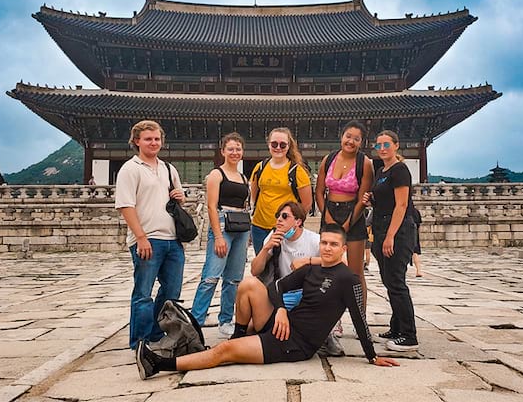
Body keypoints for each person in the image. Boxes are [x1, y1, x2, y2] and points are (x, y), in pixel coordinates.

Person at [135, 224, 399, 379]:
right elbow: (276, 287)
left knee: (223, 353)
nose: (328, 248)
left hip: (296, 344)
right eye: (325, 243)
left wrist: (372, 356)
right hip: (282, 325)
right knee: (250, 285)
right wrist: (282, 310)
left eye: (334, 245)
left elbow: (359, 319)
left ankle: (158, 364)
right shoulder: (310, 270)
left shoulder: (347, 279)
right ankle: (237, 337)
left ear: (343, 249)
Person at [115, 120, 186, 350]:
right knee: (143, 293)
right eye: (148, 139)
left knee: (171, 292)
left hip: (172, 239)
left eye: (157, 139)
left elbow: (176, 201)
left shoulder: (168, 169)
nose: (153, 142)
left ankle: (157, 333)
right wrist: (141, 237)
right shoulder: (130, 168)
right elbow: (126, 205)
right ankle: (140, 341)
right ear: (137, 141)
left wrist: (179, 196)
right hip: (147, 239)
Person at [363, 130, 419, 351]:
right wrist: (371, 199)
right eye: (378, 145)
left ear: (396, 145)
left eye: (387, 144)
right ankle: (396, 327)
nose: (383, 149)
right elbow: (383, 201)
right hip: (380, 226)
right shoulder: (381, 172)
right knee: (389, 281)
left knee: (396, 282)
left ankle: (409, 335)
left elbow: (402, 205)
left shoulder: (400, 170)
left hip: (398, 230)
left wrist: (390, 236)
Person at [230, 202, 320, 339]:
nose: (279, 220)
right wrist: (267, 248)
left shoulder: (313, 240)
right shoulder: (274, 237)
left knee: (258, 330)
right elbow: (255, 270)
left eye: (285, 216)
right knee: (248, 285)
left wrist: (308, 261)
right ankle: (237, 336)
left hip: (304, 296)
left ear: (298, 221)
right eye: (278, 216)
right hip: (280, 294)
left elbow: (342, 262)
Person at [191, 133, 250, 338]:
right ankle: (196, 321)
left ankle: (226, 319)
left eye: (238, 149)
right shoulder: (217, 174)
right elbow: (211, 206)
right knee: (211, 276)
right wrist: (217, 236)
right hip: (223, 224)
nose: (235, 152)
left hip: (241, 227)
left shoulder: (243, 178)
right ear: (223, 151)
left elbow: (245, 205)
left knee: (234, 279)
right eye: (231, 149)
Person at [315, 120, 374, 307]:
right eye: (348, 136)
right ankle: (330, 318)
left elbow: (363, 197)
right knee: (328, 268)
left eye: (356, 139)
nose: (351, 141)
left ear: (362, 142)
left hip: (353, 213)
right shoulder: (329, 159)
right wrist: (327, 216)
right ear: (341, 137)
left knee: (355, 272)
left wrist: (349, 222)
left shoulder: (364, 163)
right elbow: (319, 191)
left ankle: (360, 317)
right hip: (330, 210)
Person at [250, 127, 312, 254]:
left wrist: (295, 224)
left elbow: (307, 203)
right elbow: (254, 193)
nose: (278, 148)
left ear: (289, 146)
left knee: (284, 266)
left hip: (286, 228)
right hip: (259, 226)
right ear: (268, 144)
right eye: (274, 144)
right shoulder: (260, 167)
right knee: (262, 266)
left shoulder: (297, 171)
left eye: (283, 145)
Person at [411, 207, 423, 277]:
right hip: (415, 232)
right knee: (415, 253)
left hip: (407, 232)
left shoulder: (406, 211)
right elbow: (419, 224)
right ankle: (418, 270)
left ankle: (418, 270)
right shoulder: (416, 211)